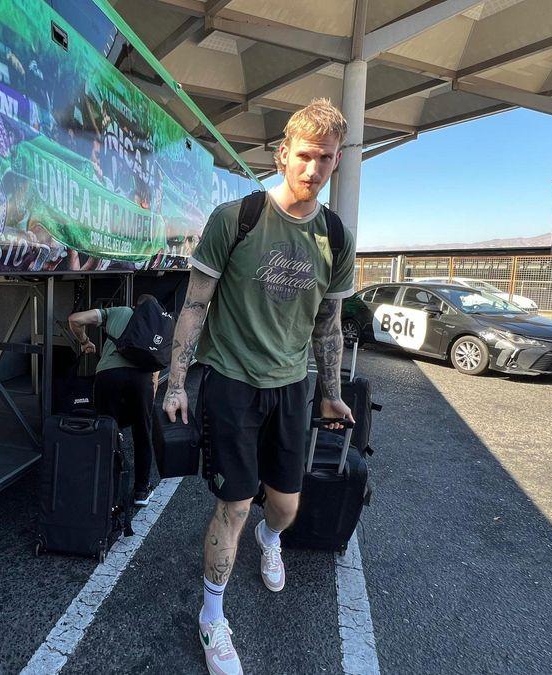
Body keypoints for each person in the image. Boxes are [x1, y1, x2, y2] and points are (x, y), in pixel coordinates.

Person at [162, 99, 357, 675]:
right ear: (282, 154)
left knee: (286, 506)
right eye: (305, 155)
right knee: (235, 504)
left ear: (337, 161)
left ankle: (271, 541)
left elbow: (329, 324)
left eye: (326, 158)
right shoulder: (237, 218)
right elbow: (194, 306)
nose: (314, 169)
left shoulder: (336, 236)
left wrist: (331, 390)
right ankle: (211, 617)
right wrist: (176, 383)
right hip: (232, 383)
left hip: (292, 387)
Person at [67, 295, 163, 506]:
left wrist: (85, 341)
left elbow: (75, 319)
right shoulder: (156, 323)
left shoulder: (119, 311)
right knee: (142, 433)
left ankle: (105, 493)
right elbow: (156, 365)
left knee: (106, 431)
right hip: (141, 379)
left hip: (108, 375)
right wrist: (150, 392)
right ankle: (141, 491)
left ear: (135, 305)